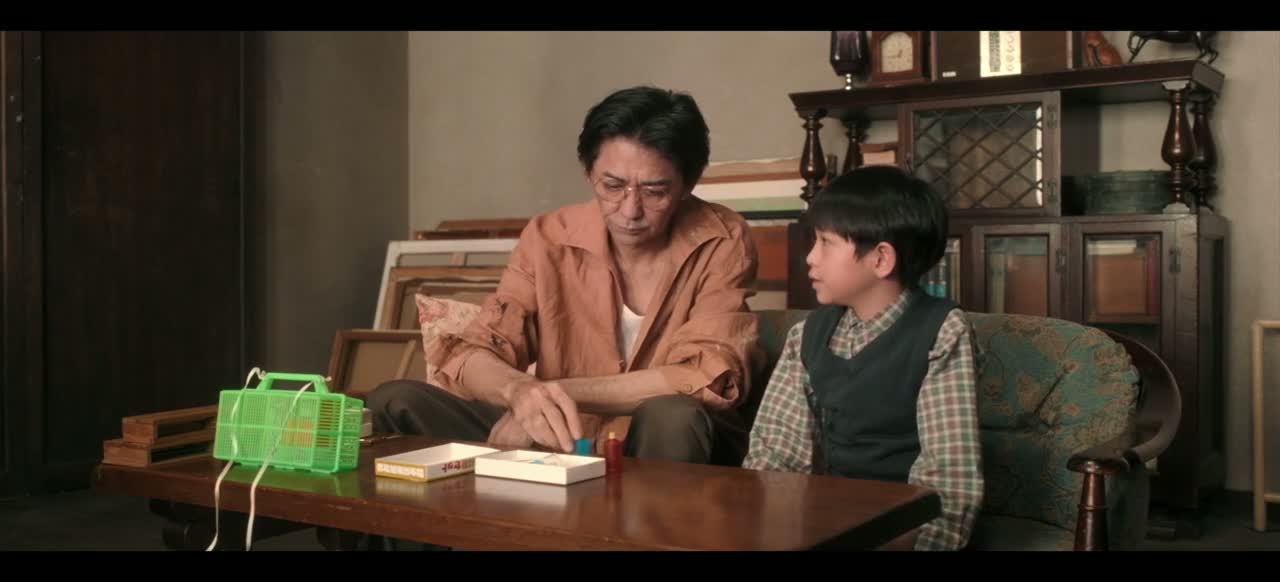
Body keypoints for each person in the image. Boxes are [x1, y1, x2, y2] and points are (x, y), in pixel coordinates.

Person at [366, 85, 761, 466]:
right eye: (613, 186)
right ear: (589, 173)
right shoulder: (549, 236)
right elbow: (474, 352)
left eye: (654, 191)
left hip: (659, 445)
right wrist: (519, 392)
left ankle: (632, 517)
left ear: (688, 183)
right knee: (396, 399)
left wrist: (556, 393)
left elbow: (704, 376)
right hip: (562, 438)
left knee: (674, 415)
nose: (630, 210)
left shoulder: (721, 238)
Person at [741, 165, 983, 551]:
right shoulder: (806, 335)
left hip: (903, 530)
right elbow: (776, 453)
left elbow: (949, 478)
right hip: (826, 525)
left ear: (881, 259)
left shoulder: (942, 331)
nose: (810, 257)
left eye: (826, 242)